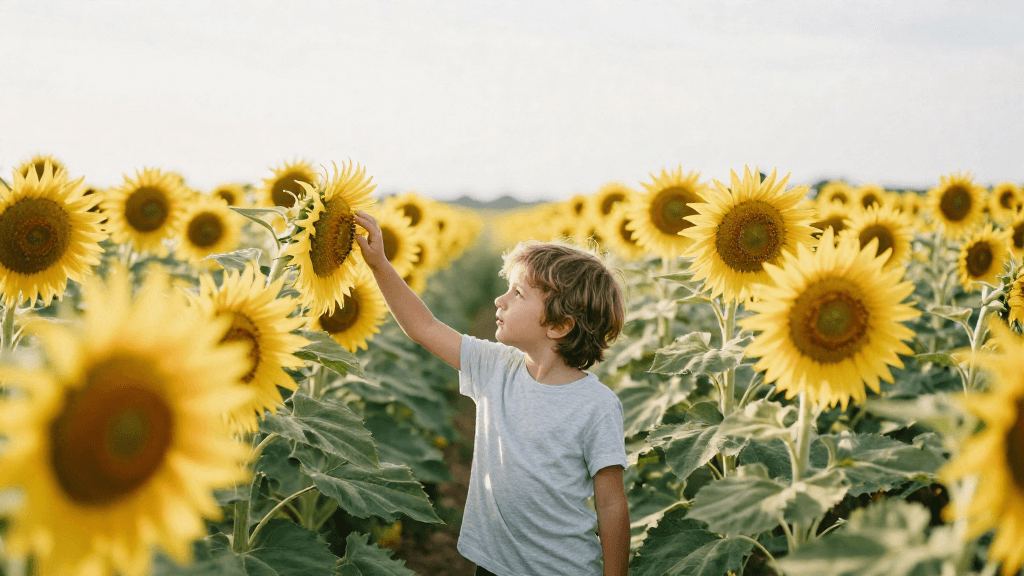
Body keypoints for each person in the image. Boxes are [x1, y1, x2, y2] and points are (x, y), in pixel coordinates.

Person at [354, 211, 630, 576]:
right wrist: (379, 265)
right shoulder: (497, 367)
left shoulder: (596, 406)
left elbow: (611, 505)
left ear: (560, 325)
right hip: (492, 564)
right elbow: (424, 326)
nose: (499, 301)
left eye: (517, 294)